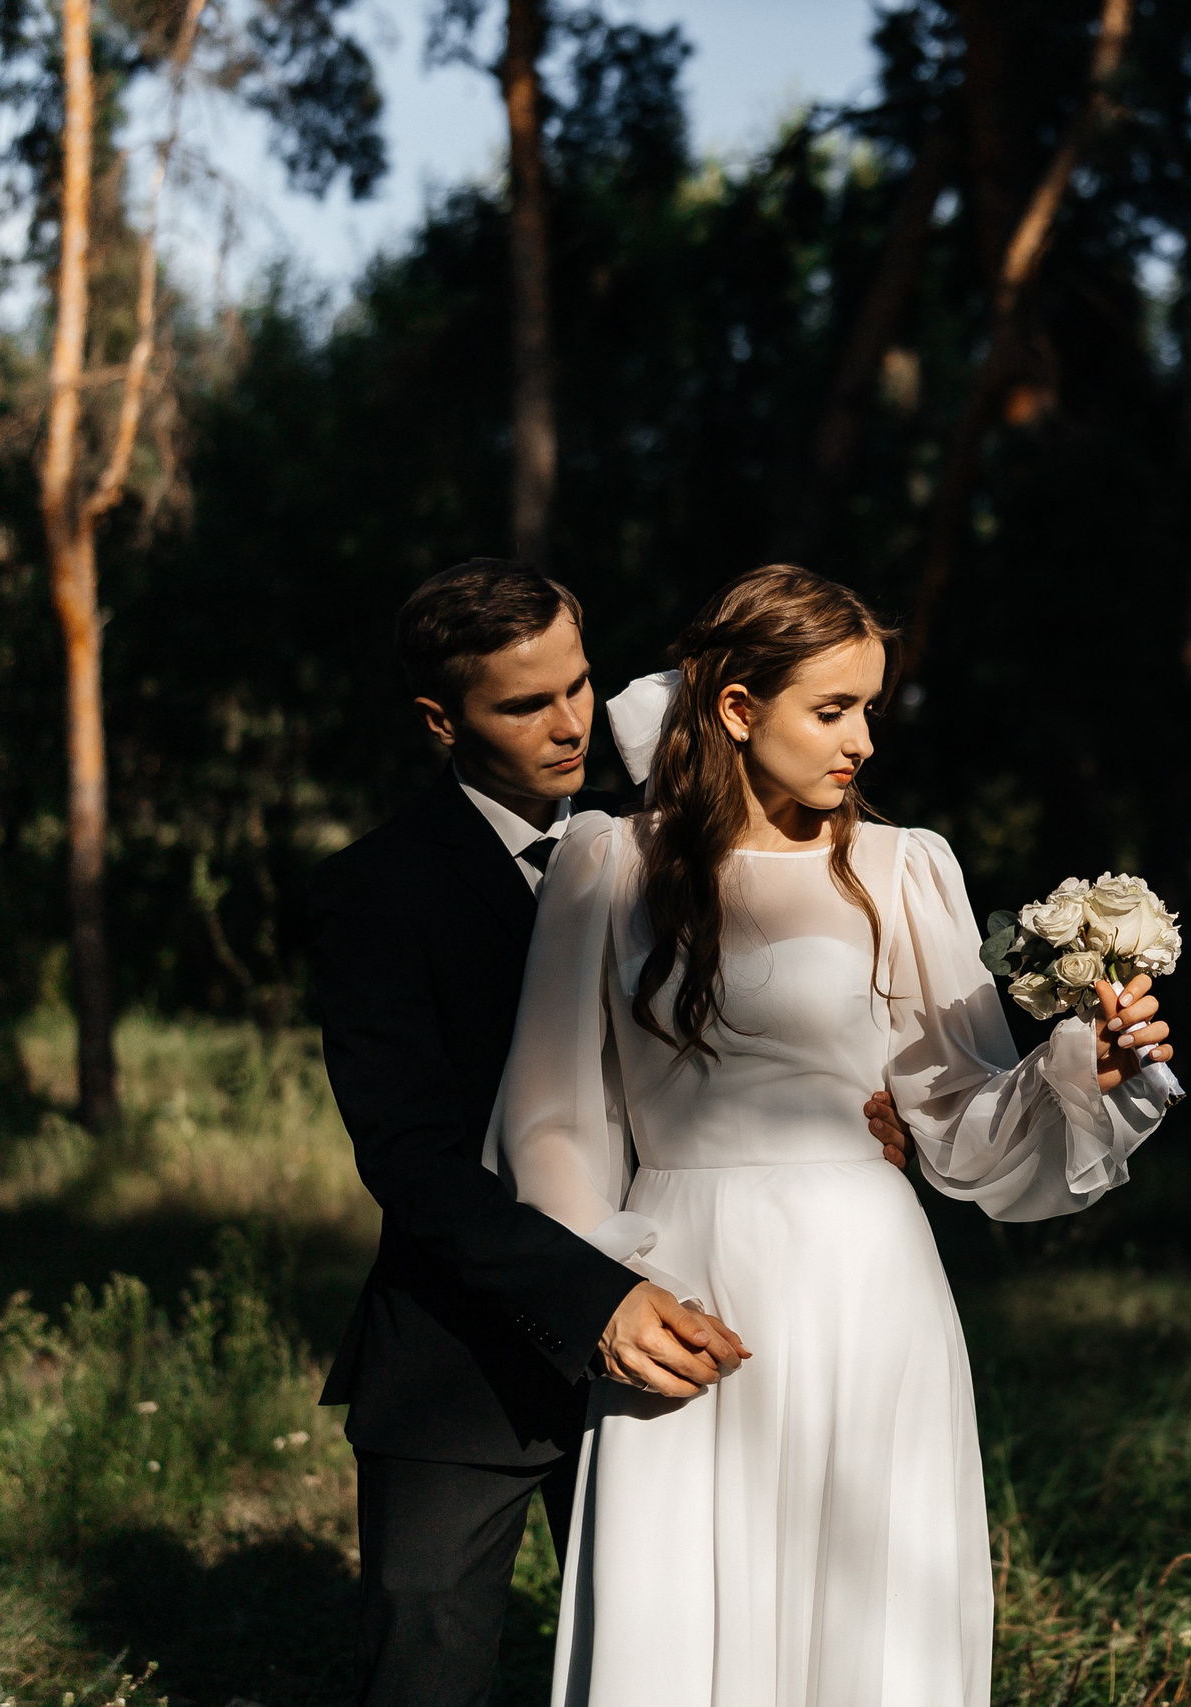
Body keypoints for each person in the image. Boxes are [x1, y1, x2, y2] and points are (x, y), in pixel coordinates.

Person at [488, 564, 1178, 1707]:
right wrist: (605, 1288)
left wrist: (1078, 1068)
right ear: (738, 709)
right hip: (679, 1277)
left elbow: (957, 1110)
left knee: (873, 1619)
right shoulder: (607, 862)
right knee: (676, 1609)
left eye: (868, 708)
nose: (860, 740)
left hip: (868, 1285)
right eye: (831, 709)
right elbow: (548, 1113)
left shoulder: (904, 868)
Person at [308, 560, 914, 1707]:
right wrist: (594, 1296)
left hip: (689, 1338)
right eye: (524, 704)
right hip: (465, 1357)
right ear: (441, 719)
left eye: (581, 685)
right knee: (424, 1671)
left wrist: (857, 1118)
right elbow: (411, 1158)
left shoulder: (670, 838)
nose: (570, 723)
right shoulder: (375, 891)